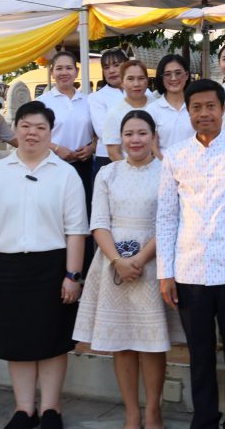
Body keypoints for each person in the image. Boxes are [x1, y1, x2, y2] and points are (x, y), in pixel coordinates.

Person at [157, 79, 225, 429]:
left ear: (223, 110)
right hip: (189, 272)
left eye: (210, 106)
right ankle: (204, 419)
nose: (204, 113)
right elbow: (166, 216)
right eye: (196, 107)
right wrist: (165, 272)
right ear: (188, 111)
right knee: (199, 356)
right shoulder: (175, 156)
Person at [0, 101, 88, 429]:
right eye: (25, 126)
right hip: (7, 267)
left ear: (51, 133)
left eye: (40, 128)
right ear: (16, 128)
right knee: (17, 341)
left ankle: (51, 408)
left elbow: (76, 230)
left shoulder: (65, 174)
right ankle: (24, 410)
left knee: (52, 341)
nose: (32, 133)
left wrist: (72, 275)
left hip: (53, 266)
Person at [74, 110, 181, 429]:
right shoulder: (107, 174)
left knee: (151, 342)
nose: (135, 140)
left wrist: (141, 259)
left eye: (142, 133)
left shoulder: (167, 172)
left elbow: (170, 221)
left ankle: (153, 411)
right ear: (120, 138)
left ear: (154, 137)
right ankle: (132, 412)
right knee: (121, 341)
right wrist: (118, 260)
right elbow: (99, 223)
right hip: (112, 264)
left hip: (153, 263)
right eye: (129, 133)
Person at [36, 50, 95, 206]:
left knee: (83, 209)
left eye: (69, 68)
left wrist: (92, 148)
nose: (64, 72)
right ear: (52, 72)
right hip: (52, 165)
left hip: (84, 166)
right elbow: (34, 136)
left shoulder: (88, 100)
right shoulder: (42, 102)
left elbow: (98, 132)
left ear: (76, 72)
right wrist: (56, 148)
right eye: (59, 68)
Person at [103, 59, 154, 161]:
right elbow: (113, 152)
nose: (136, 84)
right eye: (130, 79)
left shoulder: (157, 106)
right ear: (122, 82)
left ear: (147, 81)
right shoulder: (114, 113)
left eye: (141, 78)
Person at [88, 48, 128, 174]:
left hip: (141, 156)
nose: (111, 71)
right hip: (107, 158)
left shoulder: (144, 93)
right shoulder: (96, 98)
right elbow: (103, 131)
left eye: (116, 65)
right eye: (106, 67)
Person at [149, 54, 194, 156]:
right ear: (161, 77)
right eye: (168, 74)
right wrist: (166, 165)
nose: (173, 78)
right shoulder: (152, 110)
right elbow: (152, 147)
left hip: (196, 167)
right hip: (163, 168)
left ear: (186, 75)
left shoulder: (197, 107)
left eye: (178, 73)